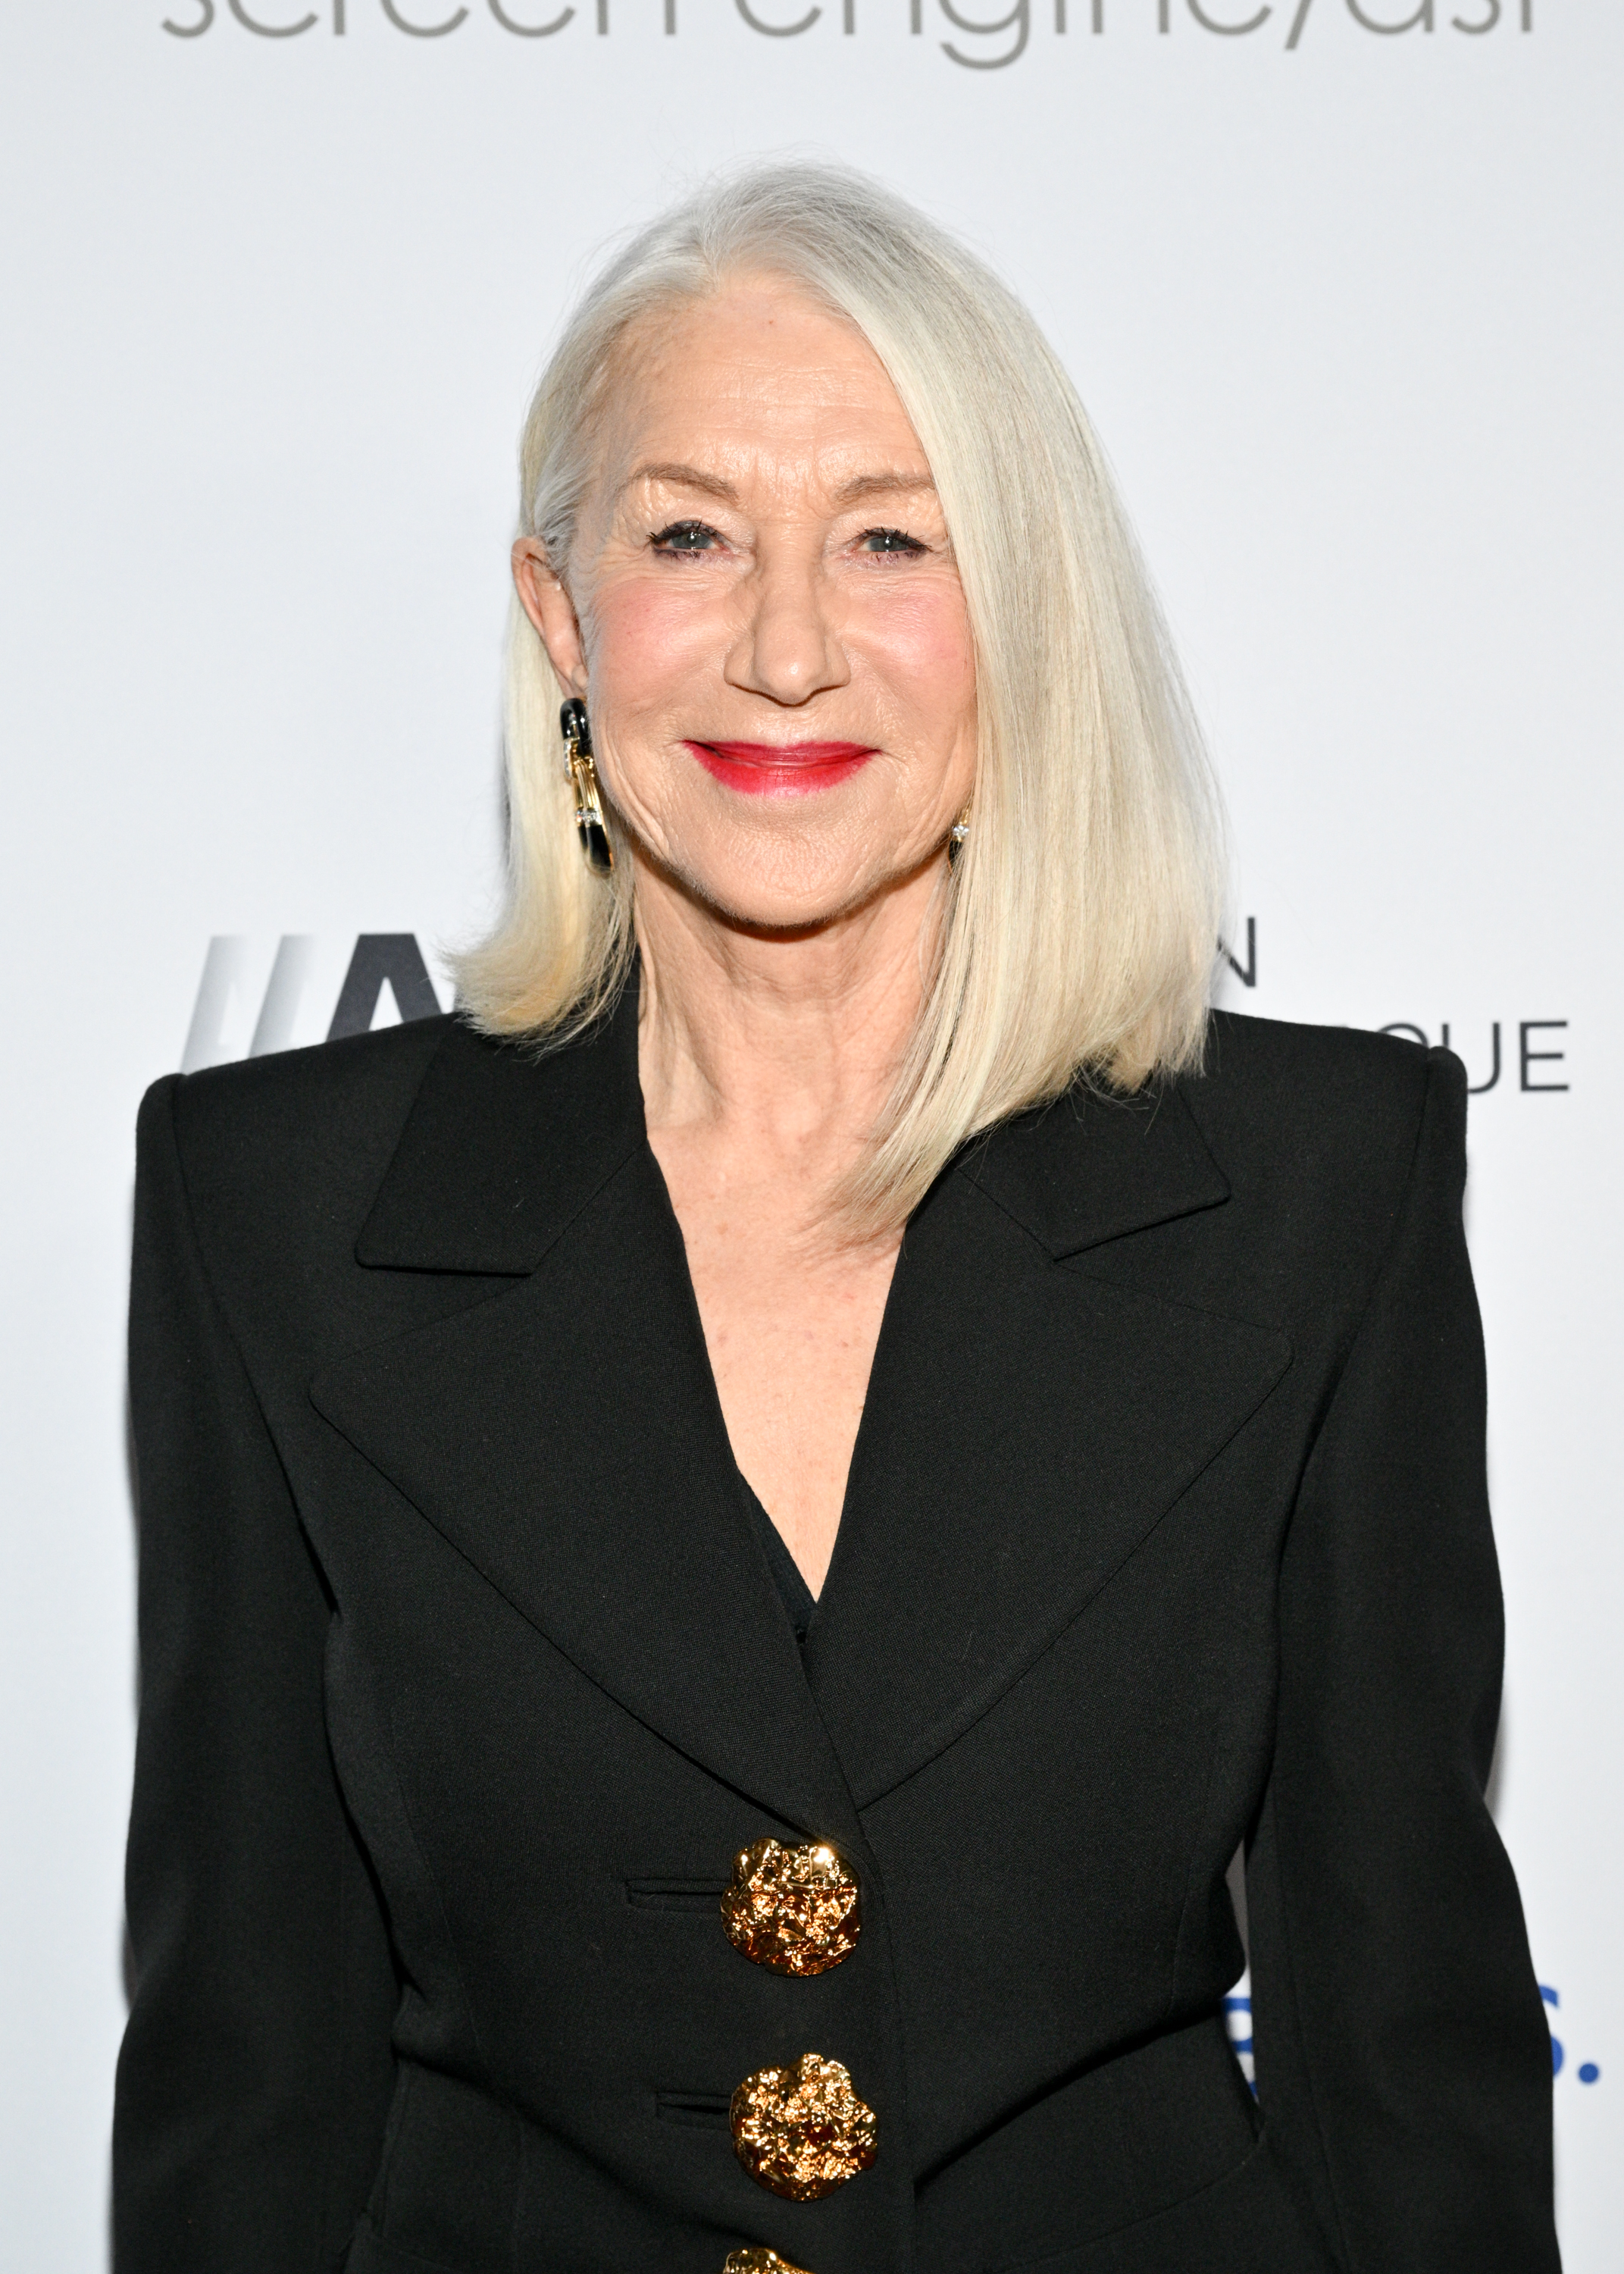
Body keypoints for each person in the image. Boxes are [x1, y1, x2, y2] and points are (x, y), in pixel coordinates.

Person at [113, 163, 1560, 2274]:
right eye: (689, 534)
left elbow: (1401, 2051)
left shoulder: (1320, 1189)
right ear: (561, 621)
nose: (786, 645)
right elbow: (249, 2067)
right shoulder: (276, 1210)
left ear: (1020, 614)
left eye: (893, 538)